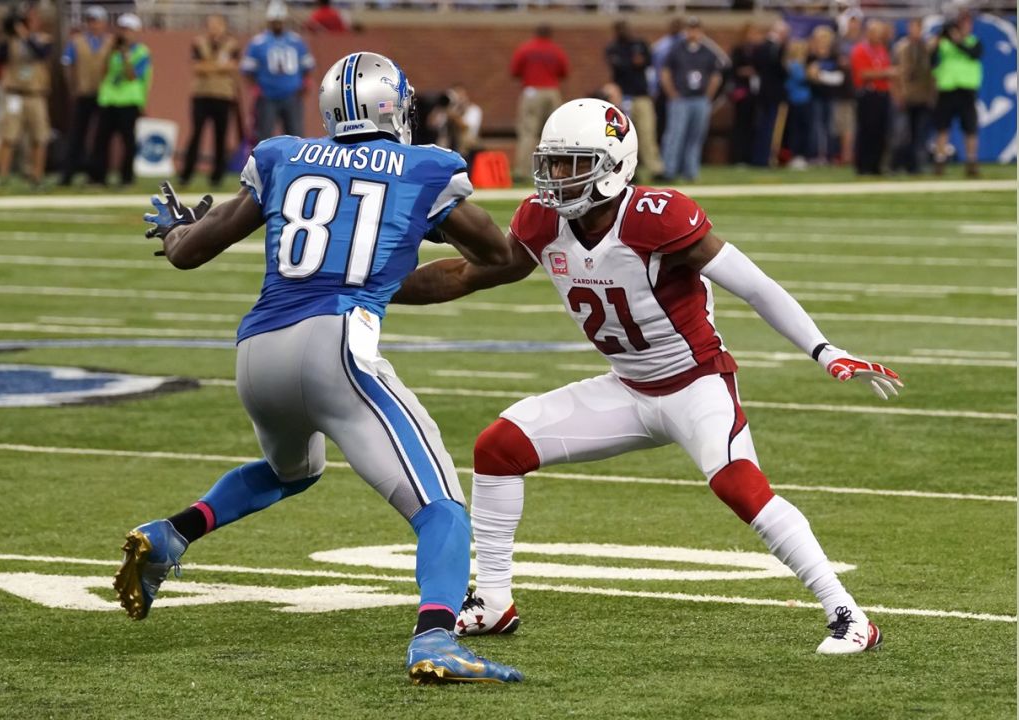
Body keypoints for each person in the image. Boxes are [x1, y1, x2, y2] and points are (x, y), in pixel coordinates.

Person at [392, 97, 900, 655]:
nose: (557, 178)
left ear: (613, 164)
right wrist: (368, 285)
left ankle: (849, 614)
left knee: (737, 483)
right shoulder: (542, 222)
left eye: (572, 164)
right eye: (552, 164)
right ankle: (492, 601)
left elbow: (754, 285)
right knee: (499, 447)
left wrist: (824, 350)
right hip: (628, 387)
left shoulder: (656, 217)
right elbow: (466, 274)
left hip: (696, 383)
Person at [116, 51, 523, 686]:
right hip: (339, 344)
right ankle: (436, 639)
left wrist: (174, 230)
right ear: (394, 107)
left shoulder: (282, 154)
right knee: (441, 504)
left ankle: (172, 534)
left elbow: (189, 251)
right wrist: (429, 239)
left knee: (293, 469)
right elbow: (499, 255)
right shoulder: (426, 168)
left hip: (258, 352)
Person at [0, 3, 52, 187]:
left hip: (35, 94)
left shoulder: (43, 39)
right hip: (14, 94)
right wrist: (4, 33)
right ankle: (2, 175)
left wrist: (25, 35)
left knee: (39, 136)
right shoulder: (11, 40)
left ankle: (36, 175)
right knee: (8, 136)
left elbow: (41, 54)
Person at [91, 13, 151, 187]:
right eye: (122, 29)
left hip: (129, 101)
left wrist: (125, 55)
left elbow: (132, 76)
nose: (124, 34)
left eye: (128, 30)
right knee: (101, 140)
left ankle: (126, 178)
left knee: (128, 141)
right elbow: (102, 72)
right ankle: (98, 177)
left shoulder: (141, 52)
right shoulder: (111, 50)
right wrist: (108, 52)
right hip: (109, 99)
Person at [179, 14, 240, 187]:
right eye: (211, 25)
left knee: (220, 136)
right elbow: (197, 67)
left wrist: (209, 66)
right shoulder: (199, 42)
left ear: (224, 26)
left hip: (223, 95)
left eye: (217, 25)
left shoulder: (232, 44)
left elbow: (233, 66)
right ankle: (186, 174)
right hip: (201, 94)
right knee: (196, 133)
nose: (214, 28)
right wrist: (218, 67)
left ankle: (217, 176)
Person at [660, 17, 723, 182]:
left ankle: (691, 171)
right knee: (675, 135)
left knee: (695, 136)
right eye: (691, 29)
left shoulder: (707, 52)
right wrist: (672, 93)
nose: (693, 33)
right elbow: (665, 73)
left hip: (699, 99)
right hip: (681, 99)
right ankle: (669, 170)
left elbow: (716, 76)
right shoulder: (676, 50)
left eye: (696, 29)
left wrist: (708, 96)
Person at [241, 2, 314, 141]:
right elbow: (248, 70)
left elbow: (307, 67)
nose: (277, 24)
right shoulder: (259, 42)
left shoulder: (296, 41)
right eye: (275, 21)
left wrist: (306, 83)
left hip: (292, 96)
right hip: (267, 97)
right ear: (269, 21)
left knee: (296, 136)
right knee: (264, 137)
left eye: (279, 21)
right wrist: (256, 89)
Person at [58, 5, 111, 187]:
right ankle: (68, 174)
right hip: (83, 92)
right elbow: (67, 65)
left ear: (104, 23)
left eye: (96, 21)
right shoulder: (77, 41)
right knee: (77, 135)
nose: (93, 25)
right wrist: (72, 87)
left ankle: (97, 175)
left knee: (101, 137)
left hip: (105, 95)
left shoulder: (110, 42)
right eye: (90, 21)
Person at [509, 24, 569, 181]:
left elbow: (515, 71)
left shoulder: (526, 49)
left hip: (532, 91)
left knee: (528, 132)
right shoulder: (556, 50)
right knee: (555, 133)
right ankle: (557, 170)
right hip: (552, 91)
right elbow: (564, 72)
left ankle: (522, 171)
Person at [604, 21, 662, 181]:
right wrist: (633, 62)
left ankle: (655, 169)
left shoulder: (640, 44)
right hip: (622, 96)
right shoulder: (613, 47)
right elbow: (621, 66)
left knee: (647, 133)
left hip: (641, 96)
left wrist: (632, 63)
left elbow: (647, 61)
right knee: (621, 136)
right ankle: (626, 170)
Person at [931, 12, 983, 178]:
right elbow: (931, 59)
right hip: (947, 89)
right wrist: (940, 38)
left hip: (966, 90)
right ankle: (940, 161)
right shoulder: (944, 44)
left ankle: (971, 162)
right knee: (942, 127)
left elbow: (973, 54)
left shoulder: (974, 42)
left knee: (970, 128)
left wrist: (957, 40)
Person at [849, 20, 897, 175]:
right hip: (868, 94)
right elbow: (862, 74)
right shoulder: (860, 50)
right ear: (868, 33)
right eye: (875, 32)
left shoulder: (882, 49)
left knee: (880, 131)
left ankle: (876, 165)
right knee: (867, 130)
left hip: (882, 94)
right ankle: (863, 165)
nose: (879, 36)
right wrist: (886, 72)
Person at [891, 18, 935, 174]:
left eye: (917, 28)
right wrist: (898, 93)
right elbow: (897, 72)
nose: (914, 30)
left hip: (921, 96)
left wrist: (931, 94)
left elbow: (931, 74)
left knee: (919, 133)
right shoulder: (902, 47)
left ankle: (914, 165)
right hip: (906, 94)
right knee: (902, 133)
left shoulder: (926, 47)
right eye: (912, 27)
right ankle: (896, 165)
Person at [751, 20, 789, 167]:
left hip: (762, 92)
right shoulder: (777, 49)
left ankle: (759, 158)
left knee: (762, 126)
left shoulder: (760, 47)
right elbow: (780, 70)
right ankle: (768, 158)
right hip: (774, 94)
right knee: (772, 128)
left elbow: (757, 67)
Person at [650, 17, 686, 161]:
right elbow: (654, 70)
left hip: (681, 91)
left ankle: (676, 160)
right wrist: (655, 89)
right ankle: (665, 160)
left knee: (677, 129)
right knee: (665, 127)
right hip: (665, 91)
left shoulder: (684, 44)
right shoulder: (662, 46)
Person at [806, 26, 842, 164]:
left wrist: (821, 75)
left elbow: (838, 78)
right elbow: (810, 76)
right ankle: (816, 155)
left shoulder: (834, 56)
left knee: (830, 127)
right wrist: (825, 77)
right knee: (816, 127)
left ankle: (830, 155)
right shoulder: (811, 56)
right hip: (815, 96)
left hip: (830, 96)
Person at [727, 22, 761, 165]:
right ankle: (738, 158)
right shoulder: (738, 50)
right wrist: (745, 71)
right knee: (741, 126)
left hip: (755, 94)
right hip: (742, 94)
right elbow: (733, 70)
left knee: (754, 126)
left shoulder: (759, 51)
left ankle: (751, 157)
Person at [833, 12, 862, 165]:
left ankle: (853, 155)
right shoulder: (840, 42)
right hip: (845, 89)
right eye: (851, 22)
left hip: (861, 88)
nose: (854, 25)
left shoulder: (863, 41)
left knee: (858, 124)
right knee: (846, 125)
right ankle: (846, 155)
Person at [783, 39, 813, 169]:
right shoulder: (793, 65)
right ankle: (796, 155)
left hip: (805, 100)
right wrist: (812, 73)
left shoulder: (799, 64)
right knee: (797, 129)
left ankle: (802, 155)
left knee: (805, 128)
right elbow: (801, 78)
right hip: (796, 100)